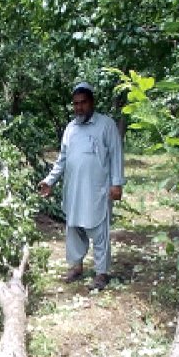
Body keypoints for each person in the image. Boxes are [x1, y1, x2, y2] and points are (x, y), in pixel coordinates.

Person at [38, 82, 125, 290]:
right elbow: (63, 159)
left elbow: (116, 155)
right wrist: (49, 181)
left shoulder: (106, 125)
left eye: (83, 103)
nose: (79, 107)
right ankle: (76, 267)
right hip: (74, 190)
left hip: (98, 190)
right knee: (74, 228)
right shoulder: (70, 128)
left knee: (99, 231)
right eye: (76, 104)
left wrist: (117, 184)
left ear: (91, 102)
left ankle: (101, 272)